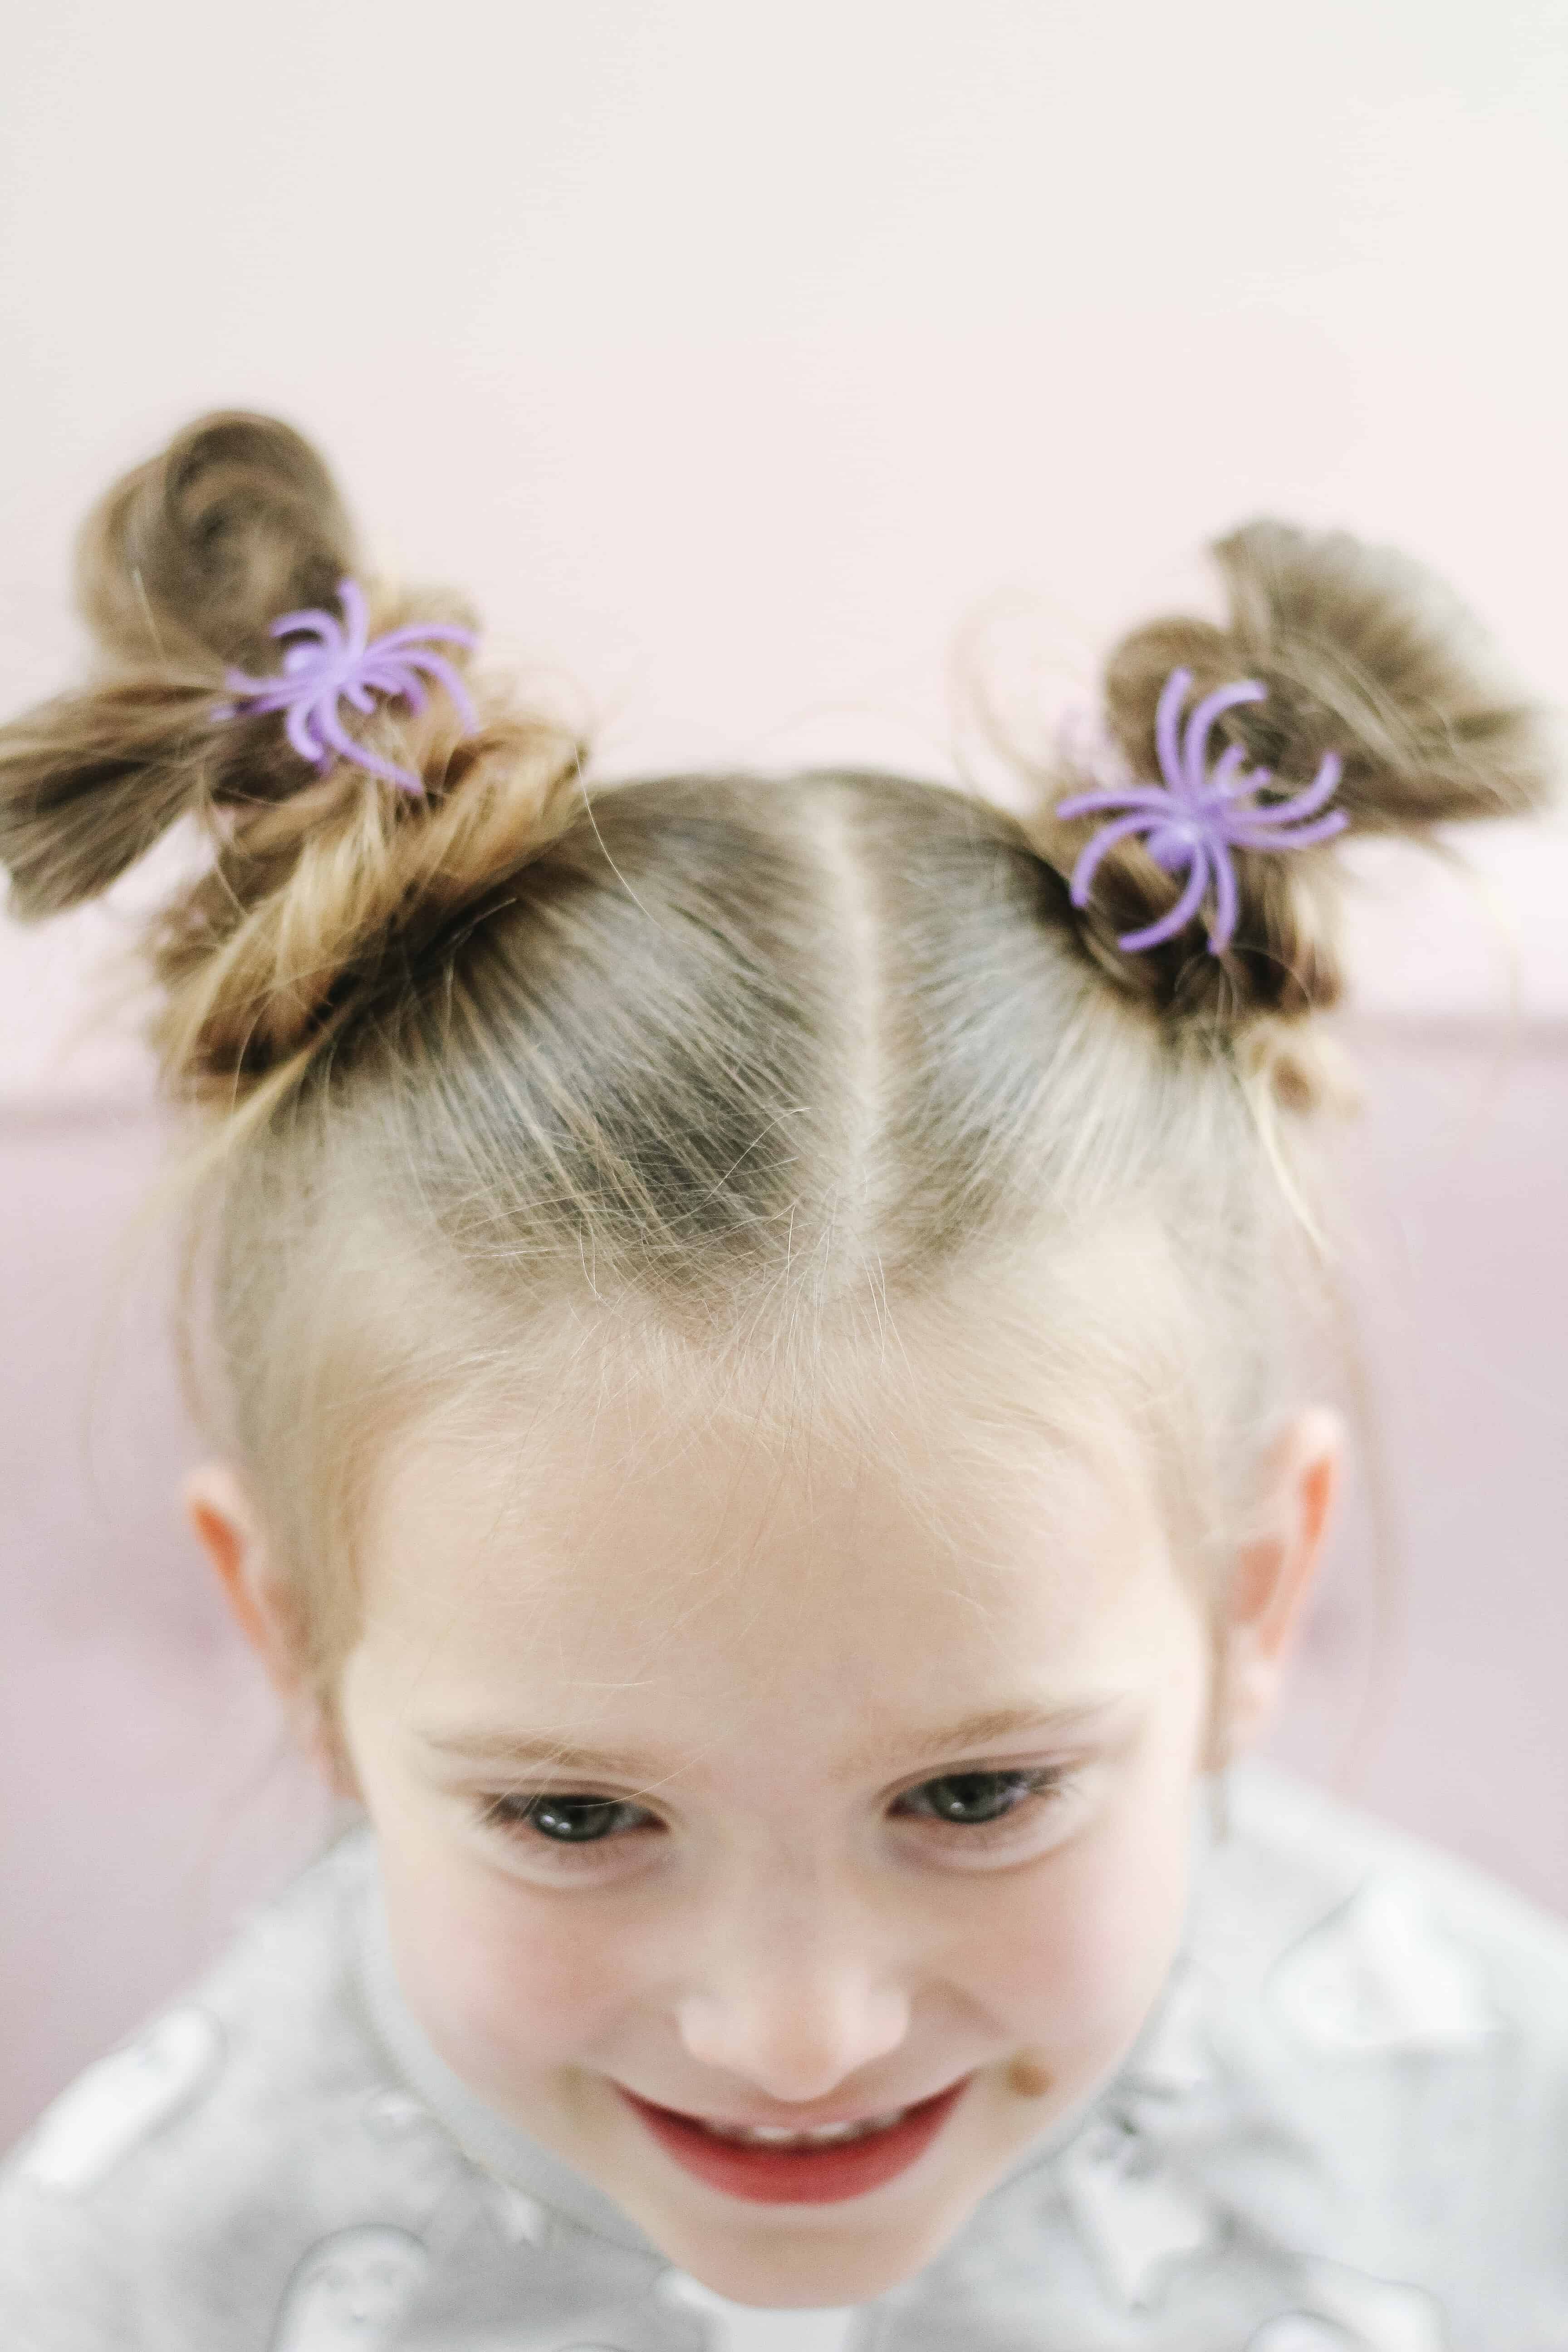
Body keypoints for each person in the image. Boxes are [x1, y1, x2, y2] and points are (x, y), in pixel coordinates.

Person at [0, 413, 1562, 2352]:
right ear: (295, 1636)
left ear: (1253, 1596)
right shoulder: (145, 2280)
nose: (799, 2033)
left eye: (979, 1793)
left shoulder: (1488, 2120)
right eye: (576, 1818)